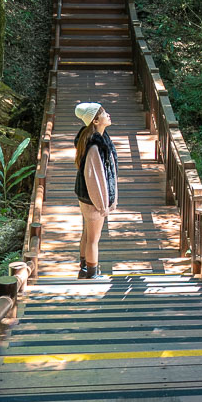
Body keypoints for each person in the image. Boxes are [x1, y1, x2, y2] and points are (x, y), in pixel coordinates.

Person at [73, 101, 118, 279]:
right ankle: (92, 273)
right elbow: (94, 179)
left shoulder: (97, 140)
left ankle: (84, 268)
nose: (108, 114)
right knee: (93, 238)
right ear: (95, 121)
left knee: (87, 233)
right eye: (103, 113)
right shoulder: (94, 146)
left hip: (87, 197)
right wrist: (102, 205)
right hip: (93, 199)